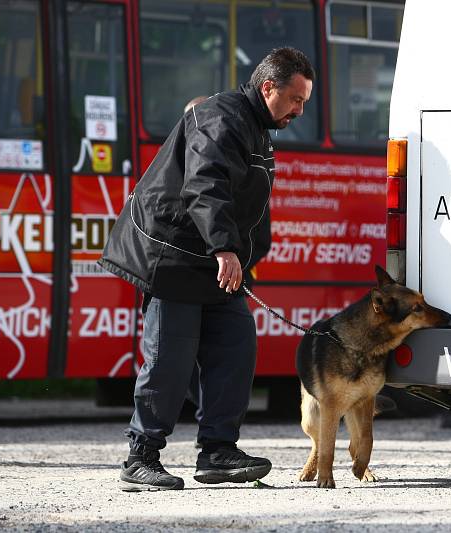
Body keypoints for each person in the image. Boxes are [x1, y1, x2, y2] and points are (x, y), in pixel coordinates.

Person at [98, 47, 314, 491]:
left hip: (215, 262)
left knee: (236, 347)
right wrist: (225, 249)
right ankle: (140, 457)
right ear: (268, 87)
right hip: (175, 254)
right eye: (296, 99)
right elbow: (205, 185)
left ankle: (217, 452)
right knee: (169, 361)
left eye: (305, 102)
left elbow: (251, 209)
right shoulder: (222, 117)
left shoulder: (257, 128)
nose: (300, 110)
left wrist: (242, 258)